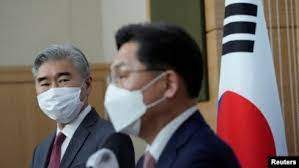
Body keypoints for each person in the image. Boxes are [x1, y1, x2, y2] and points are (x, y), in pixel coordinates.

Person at [104, 23, 240, 168]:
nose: (114, 87)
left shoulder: (202, 159)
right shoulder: (145, 161)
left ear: (168, 84)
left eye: (123, 75)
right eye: (113, 78)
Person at [30, 44, 133, 168]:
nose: (53, 90)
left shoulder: (111, 138)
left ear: (87, 85)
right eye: (45, 83)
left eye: (63, 80)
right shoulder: (40, 151)